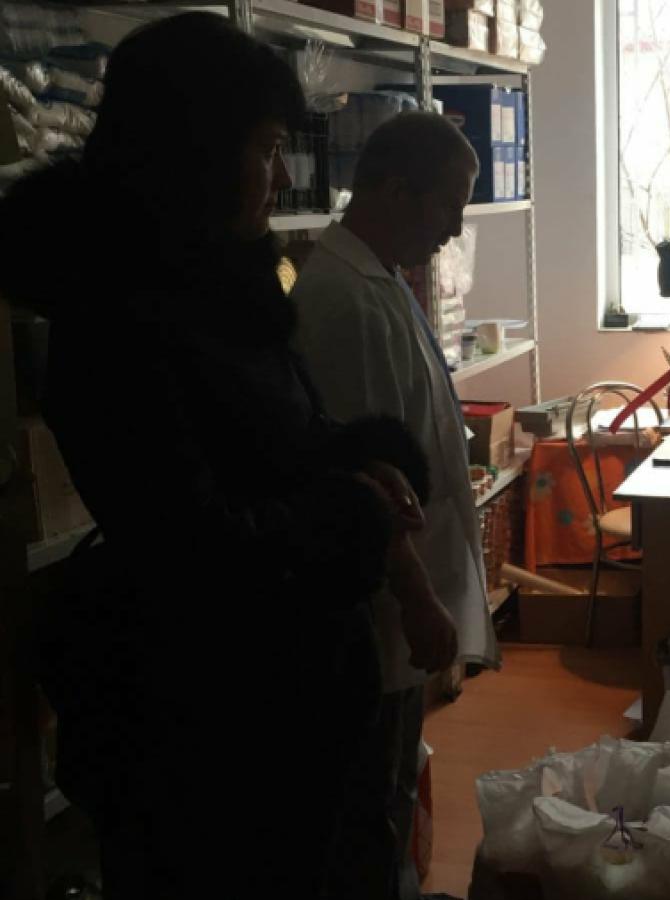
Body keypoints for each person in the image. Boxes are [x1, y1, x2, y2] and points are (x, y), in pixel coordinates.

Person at [0, 14, 452, 897]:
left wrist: (359, 457)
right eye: (268, 149)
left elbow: (283, 434)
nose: (282, 177)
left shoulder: (225, 290)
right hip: (211, 742)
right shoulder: (120, 323)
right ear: (195, 150)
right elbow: (192, 546)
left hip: (289, 713)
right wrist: (351, 512)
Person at [292, 111, 499, 899]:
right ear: (394, 189)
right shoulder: (343, 299)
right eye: (449, 204)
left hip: (405, 604)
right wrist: (417, 598)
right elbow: (364, 479)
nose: (453, 228)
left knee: (393, 787)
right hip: (381, 609)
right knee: (370, 802)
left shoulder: (380, 278)